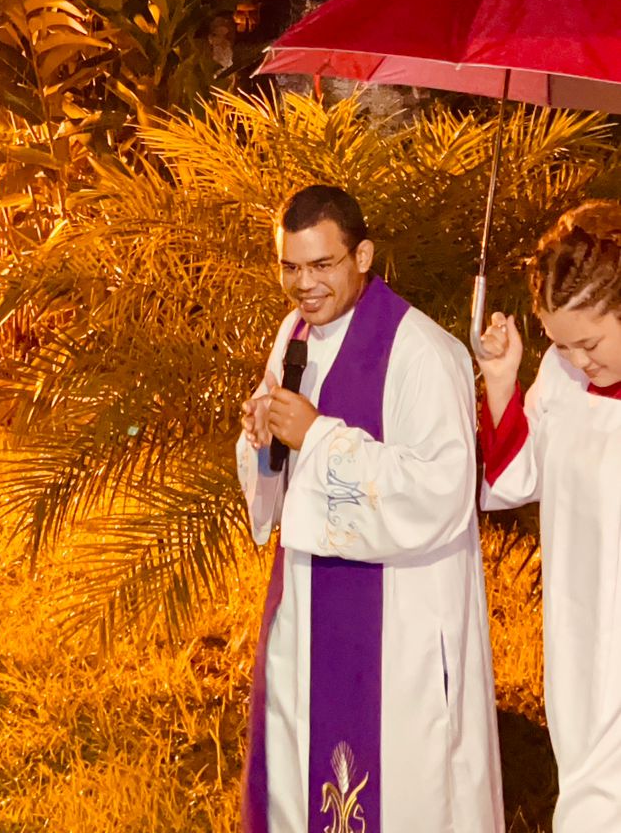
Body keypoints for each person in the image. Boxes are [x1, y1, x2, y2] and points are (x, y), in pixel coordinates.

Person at [238, 183, 503, 833]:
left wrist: (318, 437)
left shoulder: (423, 353)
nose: (304, 285)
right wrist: (262, 436)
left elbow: (442, 491)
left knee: (407, 788)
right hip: (308, 600)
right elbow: (282, 468)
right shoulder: (294, 334)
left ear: (362, 256)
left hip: (401, 623)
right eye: (290, 266)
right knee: (302, 771)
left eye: (321, 264)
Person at [477, 199, 621, 833]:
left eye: (588, 343)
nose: (578, 361)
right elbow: (513, 478)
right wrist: (502, 380)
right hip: (580, 637)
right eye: (560, 345)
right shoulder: (562, 379)